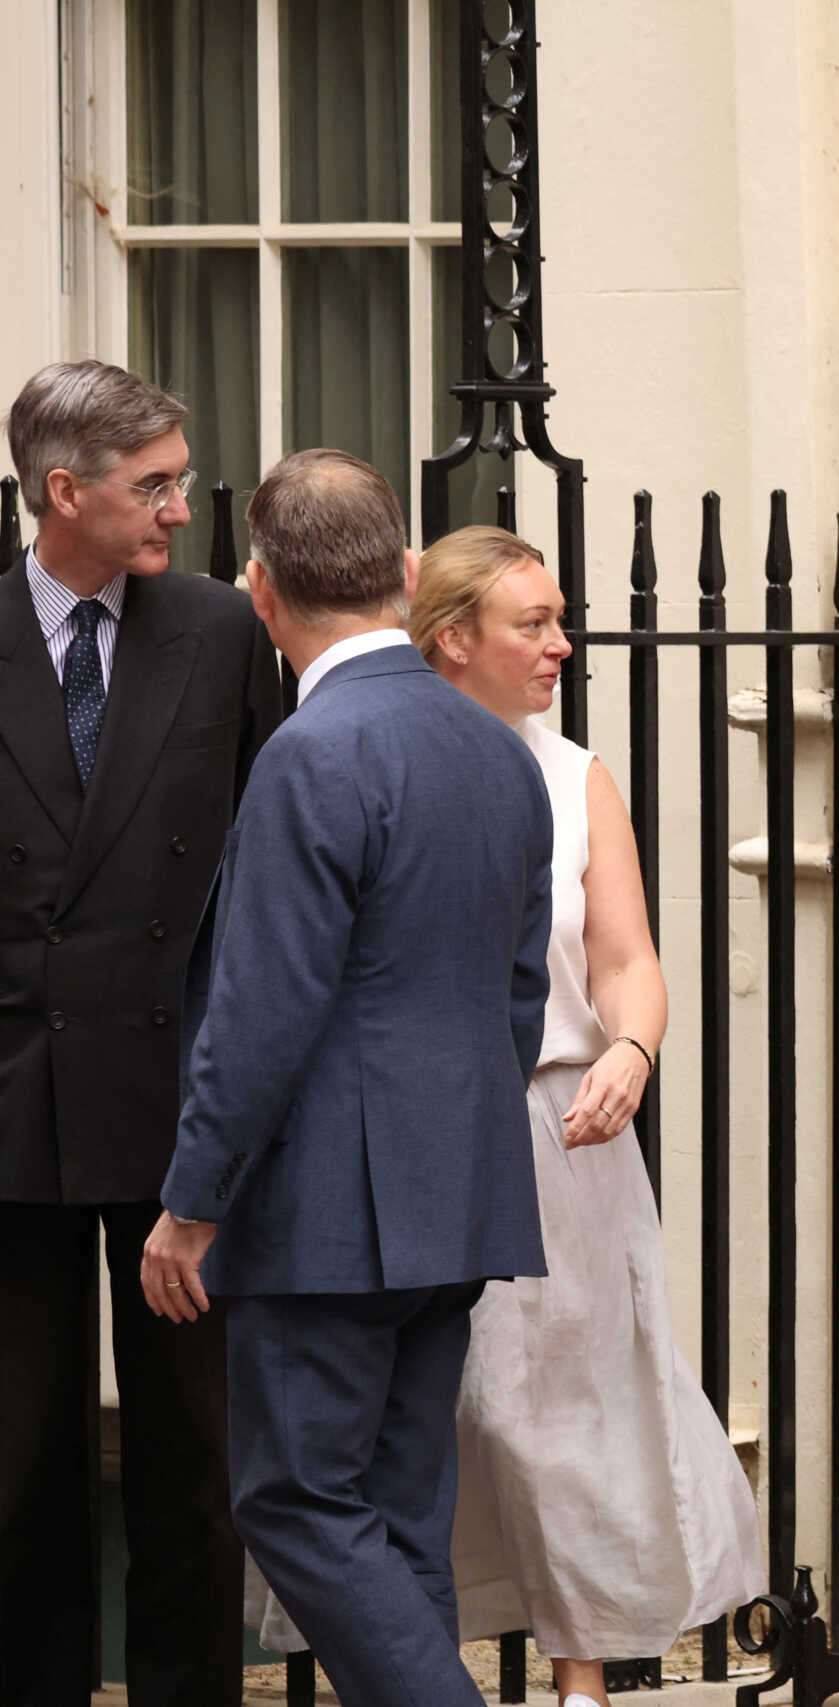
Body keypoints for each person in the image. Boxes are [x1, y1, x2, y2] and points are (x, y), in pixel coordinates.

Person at [240, 526, 763, 1704]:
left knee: (563, 1430)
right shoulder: (369, 747)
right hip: (426, 1135)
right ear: (452, 635)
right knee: (431, 1442)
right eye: (535, 622)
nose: (562, 646)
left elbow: (626, 956)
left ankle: (580, 1683)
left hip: (564, 1131)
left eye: (562, 618)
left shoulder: (573, 774)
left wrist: (631, 1046)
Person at [141, 450, 554, 1707]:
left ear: (259, 591)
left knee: (294, 1500)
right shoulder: (504, 753)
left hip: (328, 1214)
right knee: (393, 1513)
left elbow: (261, 1012)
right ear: (412, 574)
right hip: (463, 1192)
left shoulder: (314, 754)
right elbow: (520, 995)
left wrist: (191, 1202)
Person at [0, 360, 283, 1707]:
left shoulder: (219, 632)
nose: (180, 507)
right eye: (153, 484)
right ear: (66, 490)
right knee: (15, 1458)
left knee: (194, 1452)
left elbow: (263, 874)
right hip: (12, 1104)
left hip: (183, 1103)